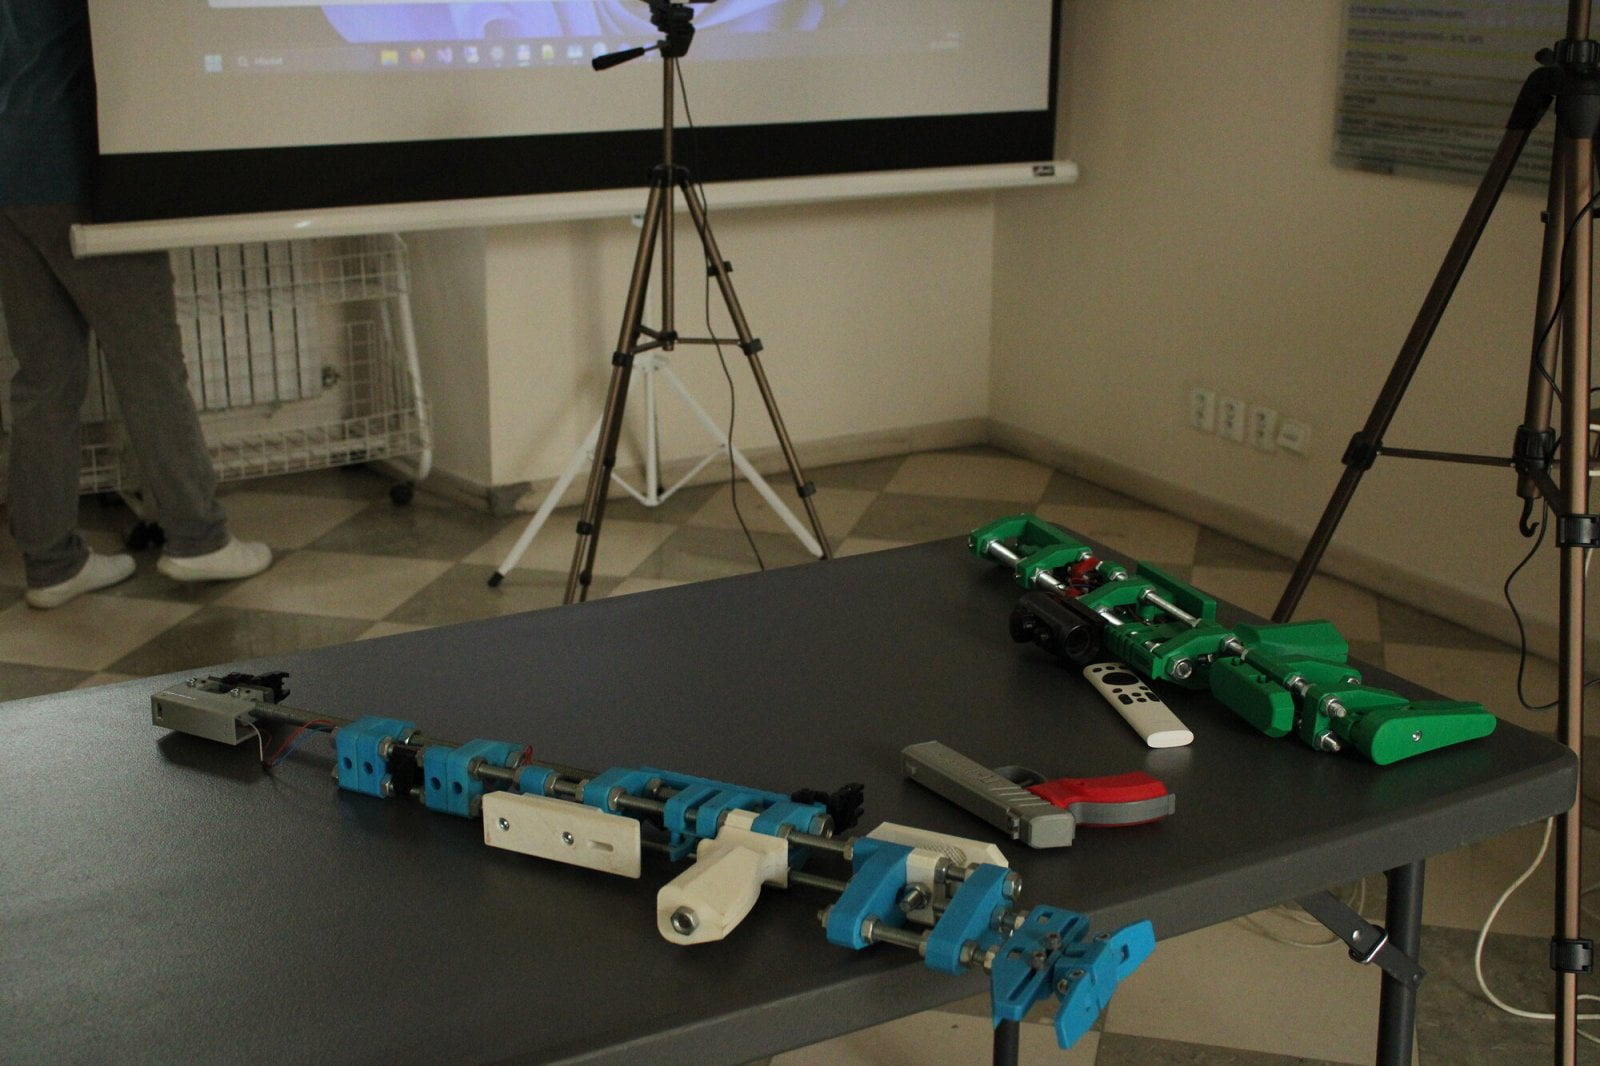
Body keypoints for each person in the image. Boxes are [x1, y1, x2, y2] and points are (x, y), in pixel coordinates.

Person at [0, 0, 271, 609]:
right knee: (150, 367)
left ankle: (51, 563)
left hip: (12, 167)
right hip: (83, 172)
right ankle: (198, 539)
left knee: (43, 379)